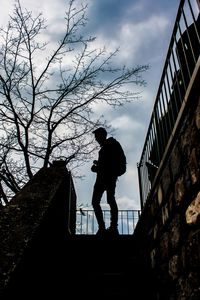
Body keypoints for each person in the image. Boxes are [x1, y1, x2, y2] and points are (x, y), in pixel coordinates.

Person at [91, 127, 126, 236]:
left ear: (102, 135)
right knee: (107, 200)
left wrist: (98, 168)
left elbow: (109, 164)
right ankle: (109, 227)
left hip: (107, 178)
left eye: (97, 137)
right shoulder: (107, 147)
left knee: (102, 201)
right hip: (106, 178)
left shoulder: (111, 145)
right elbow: (106, 164)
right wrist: (97, 166)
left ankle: (108, 228)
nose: (96, 139)